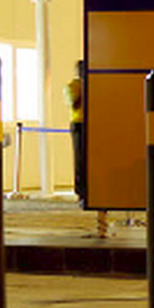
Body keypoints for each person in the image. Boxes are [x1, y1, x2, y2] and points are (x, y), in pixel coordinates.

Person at [66, 61, 87, 205]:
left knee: (90, 160)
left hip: (92, 123)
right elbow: (74, 102)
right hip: (79, 124)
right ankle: (81, 192)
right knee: (80, 159)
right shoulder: (73, 86)